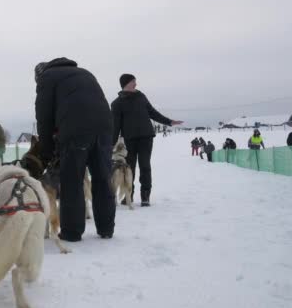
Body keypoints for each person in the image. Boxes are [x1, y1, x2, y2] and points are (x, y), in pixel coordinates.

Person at [34, 57, 115, 241]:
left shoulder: (47, 77)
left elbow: (44, 118)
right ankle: (106, 228)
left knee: (72, 180)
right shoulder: (85, 73)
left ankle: (72, 232)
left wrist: (46, 151)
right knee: (102, 178)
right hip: (104, 127)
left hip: (76, 130)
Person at [111, 74, 183, 206]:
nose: (136, 84)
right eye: (133, 81)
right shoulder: (116, 104)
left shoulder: (141, 96)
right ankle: (129, 196)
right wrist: (111, 144)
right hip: (129, 140)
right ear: (126, 83)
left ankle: (145, 196)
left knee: (145, 166)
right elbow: (115, 126)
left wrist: (169, 122)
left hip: (146, 137)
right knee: (129, 169)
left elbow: (153, 113)